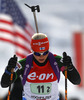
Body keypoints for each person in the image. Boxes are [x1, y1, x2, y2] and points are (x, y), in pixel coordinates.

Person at [1, 33, 81, 100]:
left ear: (48, 49)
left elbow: (76, 81)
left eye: (45, 52)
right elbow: (4, 84)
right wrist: (8, 69)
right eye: (37, 53)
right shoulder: (24, 64)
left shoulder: (56, 61)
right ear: (32, 50)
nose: (41, 56)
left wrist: (70, 67)